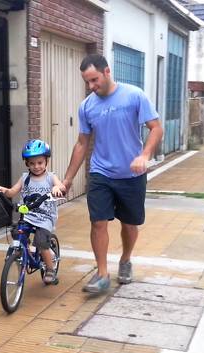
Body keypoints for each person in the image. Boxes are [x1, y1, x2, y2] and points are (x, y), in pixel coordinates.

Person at [61, 54, 163, 293]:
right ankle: (102, 273)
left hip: (131, 174)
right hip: (100, 173)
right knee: (98, 223)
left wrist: (144, 155)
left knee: (129, 224)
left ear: (107, 72)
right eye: (87, 82)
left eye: (94, 80)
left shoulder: (134, 95)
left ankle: (126, 260)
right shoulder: (87, 106)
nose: (91, 86)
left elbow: (156, 128)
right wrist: (68, 179)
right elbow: (81, 143)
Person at [0, 139, 65, 284]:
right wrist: (4, 190)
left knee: (40, 241)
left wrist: (57, 188)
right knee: (16, 232)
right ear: (27, 164)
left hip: (45, 217)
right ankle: (26, 252)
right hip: (28, 215)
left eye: (40, 162)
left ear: (46, 161)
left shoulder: (50, 177)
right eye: (32, 163)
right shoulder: (25, 178)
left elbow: (61, 186)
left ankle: (50, 269)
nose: (36, 166)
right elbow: (12, 191)